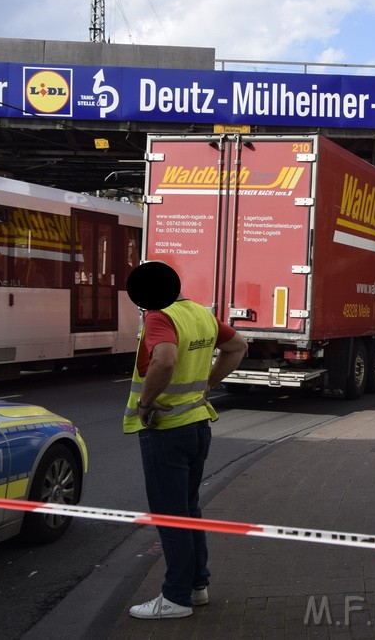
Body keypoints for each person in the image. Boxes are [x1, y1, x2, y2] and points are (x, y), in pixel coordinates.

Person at [124, 262, 248, 620]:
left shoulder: (159, 317)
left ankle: (175, 597)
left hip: (166, 429)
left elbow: (164, 359)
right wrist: (207, 385)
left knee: (171, 515)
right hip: (197, 427)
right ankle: (197, 587)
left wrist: (145, 403)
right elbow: (238, 346)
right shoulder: (200, 314)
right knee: (190, 511)